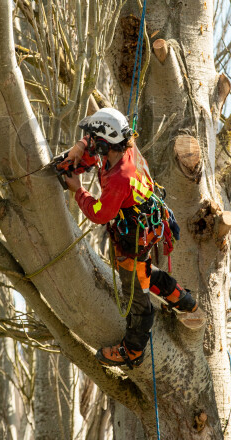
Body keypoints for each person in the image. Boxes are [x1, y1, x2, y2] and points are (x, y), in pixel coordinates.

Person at [61, 108, 201, 369]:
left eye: (93, 140)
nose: (90, 143)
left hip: (134, 238)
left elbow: (100, 214)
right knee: (144, 271)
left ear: (105, 143)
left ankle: (134, 350)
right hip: (146, 224)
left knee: (136, 292)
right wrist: (80, 147)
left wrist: (78, 190)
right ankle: (181, 298)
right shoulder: (126, 148)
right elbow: (102, 144)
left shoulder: (119, 178)